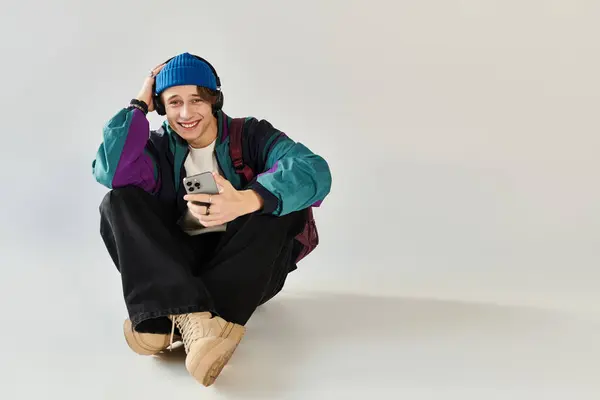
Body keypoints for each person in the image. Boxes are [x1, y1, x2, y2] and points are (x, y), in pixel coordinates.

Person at [92, 52, 332, 386]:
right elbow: (111, 170)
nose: (186, 113)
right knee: (118, 201)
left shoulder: (250, 135)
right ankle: (198, 323)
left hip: (249, 267)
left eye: (196, 100)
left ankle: (167, 318)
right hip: (185, 264)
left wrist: (248, 200)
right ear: (160, 106)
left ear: (214, 100)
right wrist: (138, 104)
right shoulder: (158, 149)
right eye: (173, 102)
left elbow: (314, 170)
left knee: (281, 207)